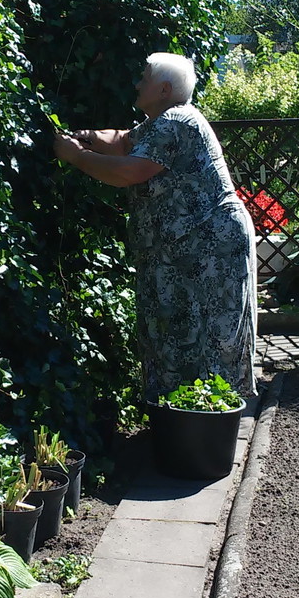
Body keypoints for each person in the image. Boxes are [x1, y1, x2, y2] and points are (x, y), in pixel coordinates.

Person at [53, 52, 257, 403]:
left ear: (164, 89)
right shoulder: (162, 122)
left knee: (209, 335)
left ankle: (207, 428)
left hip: (210, 249)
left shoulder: (176, 122)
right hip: (187, 249)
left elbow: (129, 170)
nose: (137, 84)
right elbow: (123, 142)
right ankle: (185, 422)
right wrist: (85, 137)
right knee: (178, 330)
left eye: (144, 78)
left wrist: (75, 156)